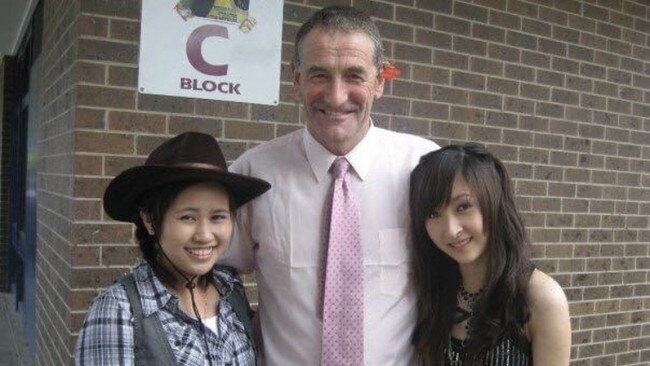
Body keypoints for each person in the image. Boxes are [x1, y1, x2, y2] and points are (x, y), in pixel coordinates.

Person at [222, 5, 439, 365]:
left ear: (379, 82)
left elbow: (478, 261)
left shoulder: (422, 168)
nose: (337, 97)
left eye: (354, 76)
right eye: (319, 75)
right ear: (296, 79)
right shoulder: (252, 174)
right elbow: (215, 276)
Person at [75, 132, 271, 365]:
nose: (205, 235)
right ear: (149, 221)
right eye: (188, 217)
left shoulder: (229, 288)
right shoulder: (120, 310)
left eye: (218, 217)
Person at [409, 143, 571, 366]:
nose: (450, 230)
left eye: (463, 207)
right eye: (433, 213)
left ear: (494, 204)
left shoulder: (540, 297)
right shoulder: (434, 289)